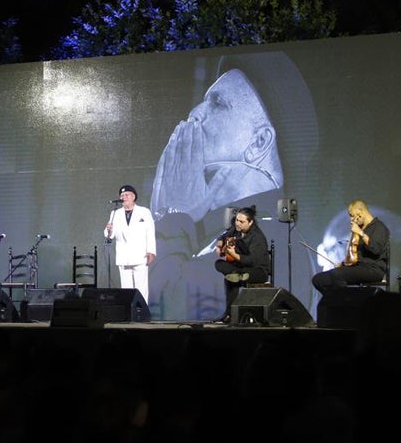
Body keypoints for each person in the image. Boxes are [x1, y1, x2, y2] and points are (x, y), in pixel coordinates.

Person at [151, 68, 284, 224]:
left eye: (217, 103)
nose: (194, 113)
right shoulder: (218, 229)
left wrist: (175, 216)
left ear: (259, 142)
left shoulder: (271, 233)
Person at [311, 199, 390, 296]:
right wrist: (343, 263)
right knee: (318, 279)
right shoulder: (359, 229)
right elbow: (354, 256)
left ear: (361, 212)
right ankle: (334, 301)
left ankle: (345, 302)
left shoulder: (379, 227)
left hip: (373, 269)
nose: (352, 219)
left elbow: (376, 249)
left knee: (337, 275)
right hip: (357, 268)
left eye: (353, 216)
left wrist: (361, 233)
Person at [212, 206, 271, 324]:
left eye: (241, 221)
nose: (237, 223)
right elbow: (223, 236)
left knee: (232, 279)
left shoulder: (257, 237)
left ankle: (231, 313)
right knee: (219, 264)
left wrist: (234, 255)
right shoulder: (236, 229)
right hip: (241, 269)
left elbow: (251, 261)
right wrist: (219, 246)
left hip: (257, 271)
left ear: (250, 222)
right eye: (236, 220)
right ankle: (229, 313)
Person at [104, 185, 157, 303]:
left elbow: (150, 232)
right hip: (124, 256)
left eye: (126, 195)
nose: (124, 197)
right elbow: (108, 235)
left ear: (133, 197)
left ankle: (143, 313)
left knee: (141, 287)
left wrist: (151, 251)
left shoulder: (144, 212)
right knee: (126, 288)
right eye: (122, 195)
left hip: (140, 255)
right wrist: (109, 229)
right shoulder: (115, 213)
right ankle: (128, 313)